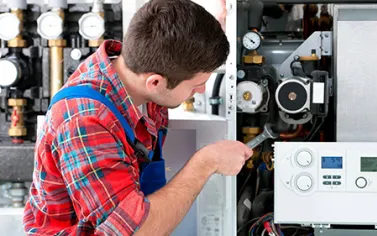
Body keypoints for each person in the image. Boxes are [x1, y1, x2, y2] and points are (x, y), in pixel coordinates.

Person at [22, 0, 253, 235]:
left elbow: (174, 34)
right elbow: (134, 231)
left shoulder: (141, 69)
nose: (202, 91)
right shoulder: (85, 121)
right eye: (197, 85)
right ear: (155, 83)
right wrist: (206, 163)